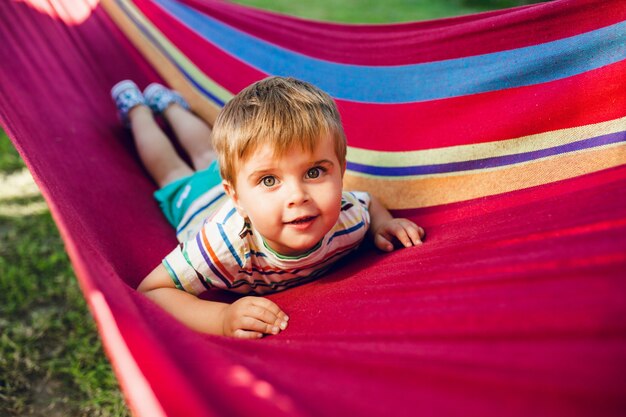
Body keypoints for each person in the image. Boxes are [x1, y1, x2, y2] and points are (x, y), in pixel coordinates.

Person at [111, 76, 425, 339]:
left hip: (241, 178)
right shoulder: (224, 246)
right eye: (270, 181)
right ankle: (138, 108)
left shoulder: (349, 216)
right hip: (197, 202)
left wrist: (384, 224)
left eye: (314, 172)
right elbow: (153, 291)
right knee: (174, 171)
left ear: (341, 171)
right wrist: (222, 318)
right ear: (236, 196)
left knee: (208, 155)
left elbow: (369, 203)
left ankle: (168, 104)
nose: (297, 196)